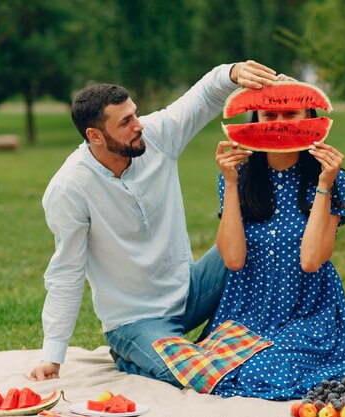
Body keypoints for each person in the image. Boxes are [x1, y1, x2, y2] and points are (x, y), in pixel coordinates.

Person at [29, 60, 283, 385]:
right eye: (125, 122)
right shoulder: (69, 188)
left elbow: (203, 97)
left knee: (257, 238)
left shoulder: (156, 135)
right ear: (95, 135)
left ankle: (270, 330)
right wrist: (53, 354)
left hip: (190, 290)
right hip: (134, 320)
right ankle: (131, 355)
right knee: (197, 373)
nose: (138, 125)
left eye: (135, 114)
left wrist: (231, 72)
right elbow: (66, 272)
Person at [209, 108, 345, 399]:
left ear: (310, 120)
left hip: (309, 313)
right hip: (247, 312)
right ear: (256, 121)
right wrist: (230, 183)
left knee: (262, 370)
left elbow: (311, 260)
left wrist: (324, 184)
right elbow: (232, 259)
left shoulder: (332, 178)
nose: (279, 124)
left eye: (290, 114)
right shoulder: (238, 176)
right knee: (214, 368)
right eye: (269, 116)